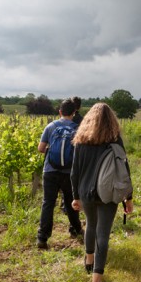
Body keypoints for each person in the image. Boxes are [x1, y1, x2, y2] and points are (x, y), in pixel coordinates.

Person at [71, 103, 133, 282]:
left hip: (86, 192)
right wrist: (128, 197)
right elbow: (124, 172)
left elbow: (75, 172)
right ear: (111, 121)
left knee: (90, 225)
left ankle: (89, 261)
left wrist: (75, 196)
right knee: (103, 233)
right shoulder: (115, 140)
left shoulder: (81, 141)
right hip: (109, 193)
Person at [36, 99, 83, 250]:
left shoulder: (51, 126)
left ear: (60, 112)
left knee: (48, 203)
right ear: (74, 112)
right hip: (69, 173)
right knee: (71, 202)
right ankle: (76, 230)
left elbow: (41, 148)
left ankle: (42, 238)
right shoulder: (78, 129)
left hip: (50, 171)